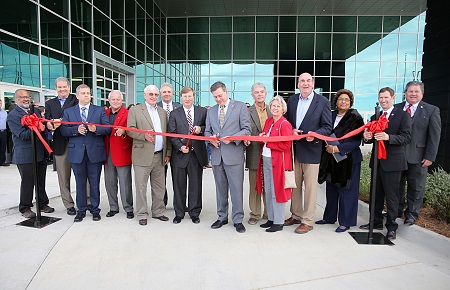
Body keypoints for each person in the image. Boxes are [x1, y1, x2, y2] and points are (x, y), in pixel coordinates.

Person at [360, 87, 411, 240]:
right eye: (381, 97)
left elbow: (407, 137)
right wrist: (367, 136)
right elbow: (368, 138)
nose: (383, 100)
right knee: (375, 194)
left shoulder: (403, 115)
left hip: (394, 163)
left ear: (393, 98)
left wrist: (389, 137)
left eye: (386, 97)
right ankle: (375, 222)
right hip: (377, 163)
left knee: (392, 197)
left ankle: (391, 227)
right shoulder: (376, 115)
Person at [284, 72, 332, 234]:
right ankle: (296, 215)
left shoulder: (323, 102)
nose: (305, 84)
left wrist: (315, 135)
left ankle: (308, 220)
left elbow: (327, 127)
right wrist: (291, 130)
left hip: (312, 150)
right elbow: (286, 122)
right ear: (298, 84)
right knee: (294, 186)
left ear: (313, 83)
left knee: (310, 188)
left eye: (308, 81)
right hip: (294, 150)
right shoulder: (292, 100)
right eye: (302, 81)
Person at [205, 81, 251, 233]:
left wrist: (231, 138)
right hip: (217, 157)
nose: (218, 99)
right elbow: (207, 132)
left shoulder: (240, 107)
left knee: (237, 189)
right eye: (215, 97)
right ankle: (222, 217)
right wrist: (211, 139)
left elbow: (246, 129)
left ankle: (238, 219)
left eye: (219, 95)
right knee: (220, 189)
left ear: (226, 92)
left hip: (234, 156)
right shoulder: (211, 111)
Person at [60, 84, 111, 222]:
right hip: (77, 153)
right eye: (83, 93)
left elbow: (108, 128)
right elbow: (63, 130)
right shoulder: (69, 112)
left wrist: (96, 129)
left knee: (94, 183)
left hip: (95, 152)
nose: (86, 95)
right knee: (80, 183)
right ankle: (81, 210)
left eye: (88, 93)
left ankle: (95, 210)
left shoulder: (99, 110)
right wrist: (76, 130)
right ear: (77, 96)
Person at [317, 89, 364, 232]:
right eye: (340, 99)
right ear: (336, 102)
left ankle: (346, 221)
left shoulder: (355, 117)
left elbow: (357, 139)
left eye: (346, 100)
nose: (343, 102)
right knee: (331, 189)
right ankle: (329, 217)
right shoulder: (330, 115)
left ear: (350, 103)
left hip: (348, 159)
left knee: (347, 191)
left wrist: (338, 149)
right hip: (331, 159)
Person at [397, 81, 441, 225]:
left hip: (419, 156)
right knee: (396, 186)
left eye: (416, 91)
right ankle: (396, 212)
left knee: (416, 187)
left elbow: (434, 135)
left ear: (422, 93)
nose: (413, 94)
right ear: (405, 93)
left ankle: (411, 214)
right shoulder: (396, 108)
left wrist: (430, 156)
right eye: (410, 91)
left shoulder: (431, 110)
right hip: (397, 155)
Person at [127, 85, 172, 226]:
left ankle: (158, 211)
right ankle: (141, 213)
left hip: (160, 156)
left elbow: (166, 135)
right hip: (142, 155)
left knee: (159, 187)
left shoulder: (162, 112)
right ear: (145, 95)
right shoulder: (135, 110)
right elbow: (130, 130)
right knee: (141, 187)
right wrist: (143, 135)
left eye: (155, 94)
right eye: (151, 94)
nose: (153, 97)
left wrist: (168, 153)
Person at [7, 89, 54, 218]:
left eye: (27, 97)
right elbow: (22, 135)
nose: (26, 99)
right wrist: (37, 127)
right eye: (22, 97)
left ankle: (42, 204)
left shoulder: (36, 111)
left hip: (39, 152)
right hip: (24, 155)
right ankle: (25, 207)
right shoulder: (13, 115)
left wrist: (46, 127)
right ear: (16, 99)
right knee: (28, 181)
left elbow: (43, 131)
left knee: (40, 181)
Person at [45, 77, 86, 215]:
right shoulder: (50, 103)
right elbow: (47, 122)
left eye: (65, 87)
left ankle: (86, 201)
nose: (62, 89)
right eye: (59, 87)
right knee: (63, 177)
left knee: (81, 175)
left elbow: (79, 117)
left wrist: (61, 121)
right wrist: (50, 125)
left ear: (69, 87)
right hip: (59, 144)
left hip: (77, 142)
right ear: (56, 88)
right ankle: (68, 204)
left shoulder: (76, 99)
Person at [168, 86, 208, 224]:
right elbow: (171, 134)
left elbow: (207, 128)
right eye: (185, 96)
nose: (187, 99)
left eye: (189, 96)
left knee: (195, 185)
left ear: (193, 96)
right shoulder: (174, 113)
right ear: (181, 97)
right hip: (180, 155)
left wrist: (200, 129)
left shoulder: (202, 111)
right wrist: (179, 147)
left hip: (196, 155)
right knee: (178, 185)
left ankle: (194, 212)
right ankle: (179, 213)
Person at [256, 96, 293, 232]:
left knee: (277, 191)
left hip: (278, 162)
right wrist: (262, 138)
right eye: (273, 106)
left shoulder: (285, 124)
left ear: (283, 109)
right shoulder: (269, 121)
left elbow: (286, 145)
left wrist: (268, 141)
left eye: (278, 106)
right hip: (266, 159)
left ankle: (278, 222)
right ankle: (271, 218)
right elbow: (265, 138)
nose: (275, 108)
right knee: (269, 190)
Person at [103, 90, 134, 219]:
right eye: (113, 99)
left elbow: (133, 130)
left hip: (122, 151)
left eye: (118, 99)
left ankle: (128, 208)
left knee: (125, 182)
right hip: (106, 152)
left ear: (122, 101)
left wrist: (125, 132)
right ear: (109, 101)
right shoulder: (103, 113)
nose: (115, 102)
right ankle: (113, 207)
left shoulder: (128, 114)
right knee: (109, 182)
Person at [244, 82, 271, 225]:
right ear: (252, 95)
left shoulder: (274, 109)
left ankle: (269, 212)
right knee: (255, 185)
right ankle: (254, 213)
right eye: (256, 92)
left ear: (266, 93)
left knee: (269, 184)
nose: (259, 94)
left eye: (262, 91)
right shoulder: (247, 111)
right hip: (254, 152)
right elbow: (244, 129)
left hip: (271, 153)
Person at [157, 82, 181, 206]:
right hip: (161, 148)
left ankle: (179, 203)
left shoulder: (179, 107)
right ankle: (163, 202)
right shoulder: (155, 107)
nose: (166, 94)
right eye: (164, 92)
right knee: (161, 178)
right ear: (160, 94)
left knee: (178, 178)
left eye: (169, 92)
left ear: (172, 93)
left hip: (177, 148)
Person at [0, 99, 9, 166]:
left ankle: (2, 161)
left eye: (0, 103)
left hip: (3, 131)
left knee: (3, 147)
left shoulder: (4, 112)